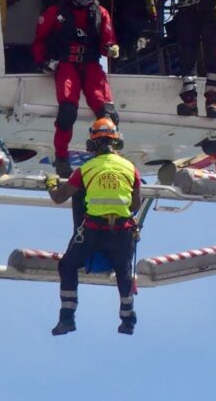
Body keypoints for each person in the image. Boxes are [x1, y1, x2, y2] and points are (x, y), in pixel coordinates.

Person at [45, 118, 141, 336]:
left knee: (68, 266)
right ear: (117, 143)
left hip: (93, 231)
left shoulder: (86, 169)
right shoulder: (131, 169)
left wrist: (51, 184)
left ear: (91, 145)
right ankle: (128, 320)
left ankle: (67, 318)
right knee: (123, 271)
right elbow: (135, 204)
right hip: (122, 231)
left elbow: (59, 198)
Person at [31, 0, 121, 178]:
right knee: (67, 112)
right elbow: (39, 41)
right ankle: (61, 158)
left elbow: (107, 42)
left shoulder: (101, 13)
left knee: (108, 114)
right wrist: (43, 62)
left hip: (91, 65)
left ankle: (107, 155)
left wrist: (111, 49)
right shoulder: (55, 12)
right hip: (66, 65)